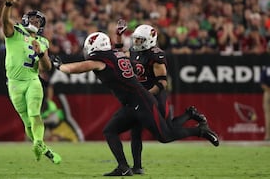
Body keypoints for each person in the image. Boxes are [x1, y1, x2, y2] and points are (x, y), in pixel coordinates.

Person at [53, 31, 219, 176]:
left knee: (165, 136)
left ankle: (200, 131)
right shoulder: (115, 53)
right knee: (110, 130)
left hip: (142, 101)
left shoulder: (101, 59)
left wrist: (61, 66)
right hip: (133, 103)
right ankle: (124, 167)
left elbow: (81, 67)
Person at [116, 22, 209, 174]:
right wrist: (119, 35)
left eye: (140, 40)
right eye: (136, 39)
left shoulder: (156, 55)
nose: (136, 42)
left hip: (155, 97)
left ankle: (191, 118)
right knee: (135, 130)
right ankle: (137, 167)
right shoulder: (133, 50)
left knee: (167, 132)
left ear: (150, 40)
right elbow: (119, 54)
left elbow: (162, 82)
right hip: (141, 97)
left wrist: (147, 95)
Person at [0, 0, 61, 164]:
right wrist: (7, 6)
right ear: (26, 20)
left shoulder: (43, 41)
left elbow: (45, 68)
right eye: (33, 20)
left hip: (32, 80)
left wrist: (41, 53)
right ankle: (43, 148)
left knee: (35, 114)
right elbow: (5, 22)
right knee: (27, 121)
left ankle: (38, 142)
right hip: (13, 83)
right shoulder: (15, 31)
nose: (35, 23)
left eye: (38, 22)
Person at [261, 65, 270, 141]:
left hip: (268, 92)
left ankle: (267, 136)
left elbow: (262, 83)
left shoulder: (267, 69)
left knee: (268, 116)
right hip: (268, 92)